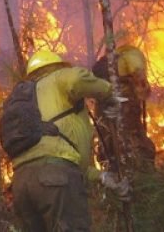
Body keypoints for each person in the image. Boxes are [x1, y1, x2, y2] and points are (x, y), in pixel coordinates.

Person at [9, 50, 128, 232]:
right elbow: (76, 79)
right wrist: (108, 94)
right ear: (57, 67)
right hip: (54, 178)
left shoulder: (27, 99)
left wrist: (102, 177)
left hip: (21, 183)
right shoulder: (57, 77)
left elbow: (57, 158)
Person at [92, 45, 156, 173]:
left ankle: (117, 170)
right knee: (132, 138)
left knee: (110, 142)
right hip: (123, 106)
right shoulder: (132, 57)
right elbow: (142, 86)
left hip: (106, 107)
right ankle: (140, 170)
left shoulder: (103, 66)